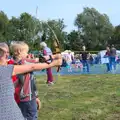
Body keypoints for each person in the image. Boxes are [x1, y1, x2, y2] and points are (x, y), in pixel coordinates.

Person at [0, 42, 62, 120]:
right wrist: (56, 57)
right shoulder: (23, 62)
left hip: (21, 98)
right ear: (19, 51)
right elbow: (38, 61)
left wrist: (35, 96)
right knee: (31, 117)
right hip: (27, 99)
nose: (27, 54)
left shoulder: (14, 62)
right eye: (26, 52)